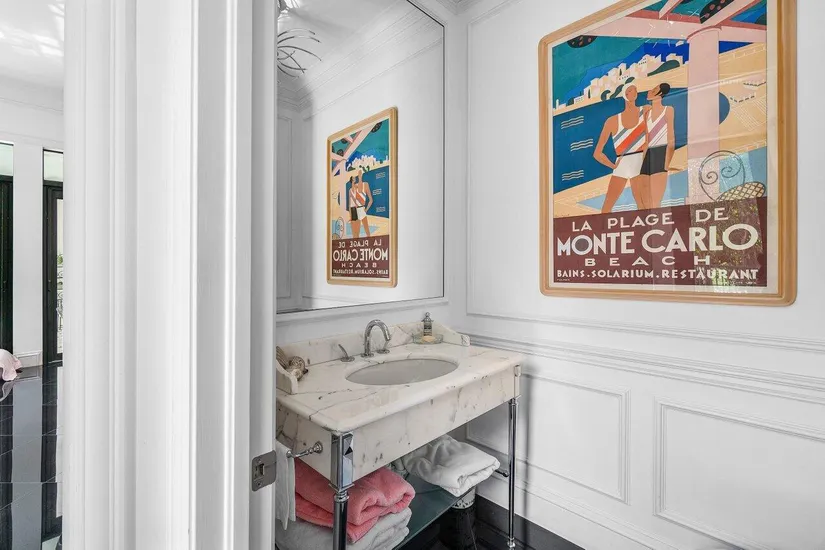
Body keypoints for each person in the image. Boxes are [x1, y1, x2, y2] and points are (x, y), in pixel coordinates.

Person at [593, 84, 648, 213]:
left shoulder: (646, 110)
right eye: (630, 90)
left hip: (638, 162)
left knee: (642, 206)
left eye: (635, 89)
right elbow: (597, 153)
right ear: (625, 94)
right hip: (623, 164)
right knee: (606, 208)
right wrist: (613, 165)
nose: (634, 91)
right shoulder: (612, 121)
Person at [638, 83, 676, 208]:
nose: (650, 91)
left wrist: (666, 163)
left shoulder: (668, 110)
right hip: (648, 154)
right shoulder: (647, 113)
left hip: (661, 151)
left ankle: (658, 219)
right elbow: (646, 139)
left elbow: (671, 140)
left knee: (656, 199)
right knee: (645, 198)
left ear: (660, 94)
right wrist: (643, 159)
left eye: (654, 90)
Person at [348, 169, 373, 238]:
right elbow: (351, 203)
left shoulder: (365, 184)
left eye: (361, 173)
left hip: (361, 209)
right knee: (356, 234)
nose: (359, 174)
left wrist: (366, 210)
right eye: (359, 173)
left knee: (367, 232)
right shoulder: (354, 187)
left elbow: (371, 200)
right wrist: (351, 215)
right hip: (355, 210)